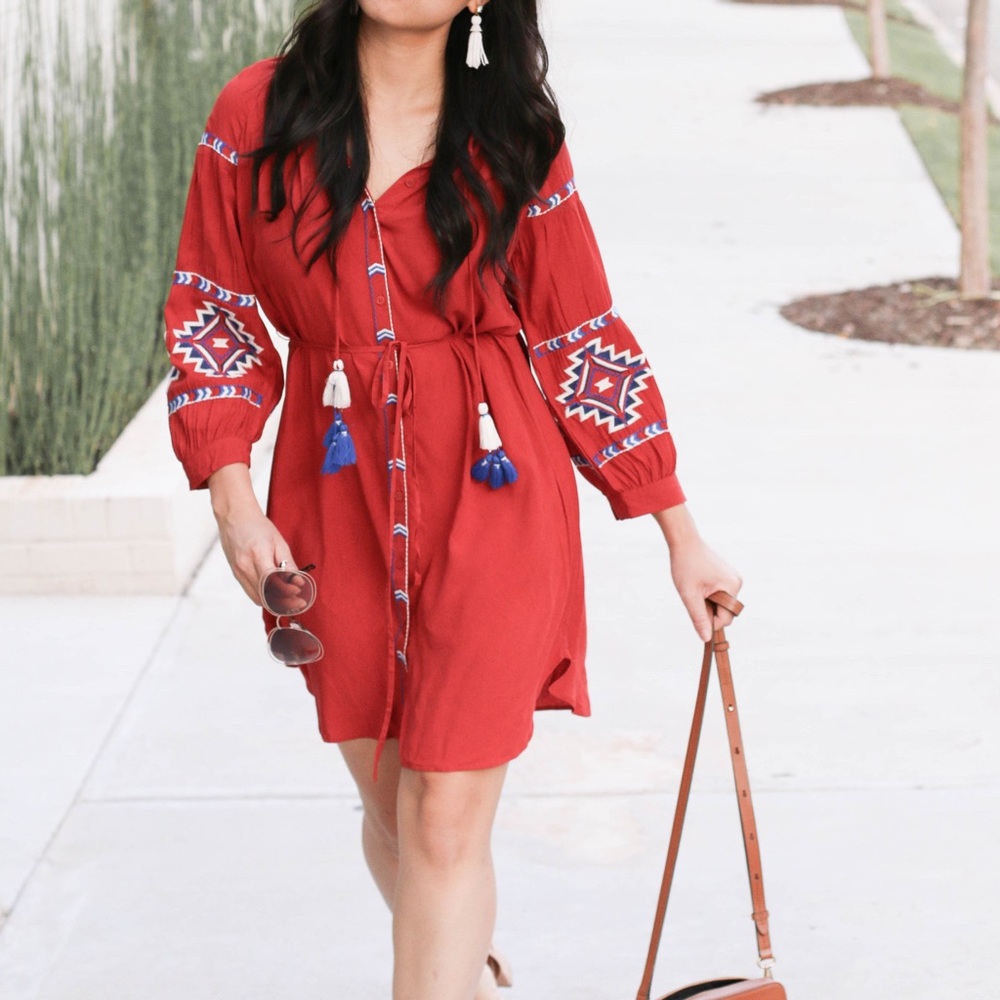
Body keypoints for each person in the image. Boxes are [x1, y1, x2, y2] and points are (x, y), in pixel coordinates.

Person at [162, 1, 742, 997]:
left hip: (493, 490)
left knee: (441, 817)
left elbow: (579, 334)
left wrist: (678, 531)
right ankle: (459, 971)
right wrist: (232, 496)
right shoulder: (256, 114)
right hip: (332, 493)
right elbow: (212, 307)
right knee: (394, 806)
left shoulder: (513, 131)